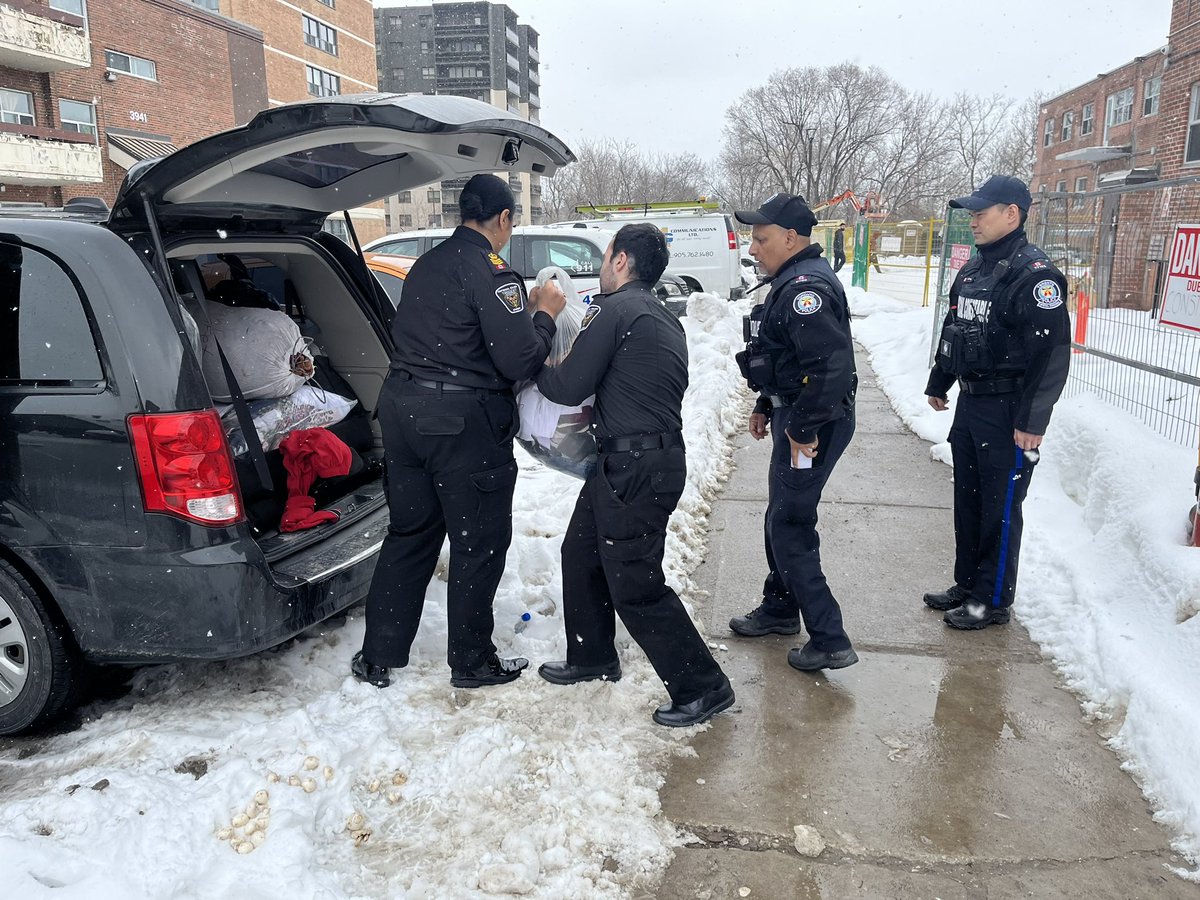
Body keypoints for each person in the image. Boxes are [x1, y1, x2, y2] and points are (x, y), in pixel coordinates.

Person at [352, 174, 567, 688]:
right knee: (477, 542)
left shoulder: (425, 264)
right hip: (460, 424)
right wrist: (544, 316)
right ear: (503, 219)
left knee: (409, 533)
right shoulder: (494, 274)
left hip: (402, 413)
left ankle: (378, 656)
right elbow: (517, 360)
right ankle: (471, 661)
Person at [535, 224, 734, 728]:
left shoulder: (615, 310)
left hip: (635, 468)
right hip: (639, 462)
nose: (602, 268)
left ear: (620, 261)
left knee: (636, 582)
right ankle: (592, 655)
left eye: (605, 258)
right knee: (581, 553)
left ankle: (702, 686)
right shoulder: (663, 317)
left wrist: (535, 354)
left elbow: (566, 385)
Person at [922, 175, 1070, 630]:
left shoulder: (1035, 276)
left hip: (1009, 414)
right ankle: (968, 585)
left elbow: (1052, 356)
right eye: (971, 214)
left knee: (1000, 508)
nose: (973, 222)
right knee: (968, 500)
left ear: (1012, 213)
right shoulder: (973, 271)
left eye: (981, 214)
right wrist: (939, 380)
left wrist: (1032, 420)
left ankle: (992, 600)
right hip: (972, 406)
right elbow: (956, 330)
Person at [729, 194, 859, 672]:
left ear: (790, 238)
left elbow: (830, 370)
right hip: (797, 417)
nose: (753, 248)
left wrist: (802, 430)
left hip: (813, 425)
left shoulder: (806, 290)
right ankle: (781, 607)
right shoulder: (789, 282)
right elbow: (789, 361)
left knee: (790, 524)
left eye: (761, 239)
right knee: (780, 514)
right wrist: (768, 403)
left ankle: (829, 638)